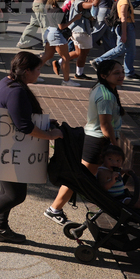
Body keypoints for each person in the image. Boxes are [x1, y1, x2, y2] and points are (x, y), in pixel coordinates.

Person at [0, 52, 64, 245]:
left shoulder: (7, 82)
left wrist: (43, 122)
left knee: (6, 193)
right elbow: (24, 126)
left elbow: (19, 116)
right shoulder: (16, 91)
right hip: (11, 151)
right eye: (37, 69)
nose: (39, 73)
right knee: (15, 195)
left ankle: (1, 229)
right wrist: (51, 135)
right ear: (27, 71)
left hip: (7, 149)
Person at [45, 59, 125, 224]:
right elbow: (105, 126)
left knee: (82, 179)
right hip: (97, 142)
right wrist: (116, 147)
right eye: (116, 73)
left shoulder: (100, 88)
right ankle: (54, 209)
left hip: (93, 139)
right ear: (104, 75)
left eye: (122, 72)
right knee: (79, 180)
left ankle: (56, 208)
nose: (121, 76)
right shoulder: (105, 96)